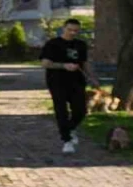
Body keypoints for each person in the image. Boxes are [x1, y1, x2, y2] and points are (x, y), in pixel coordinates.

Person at [39, 18, 98, 153]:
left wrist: (92, 77)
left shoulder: (81, 44)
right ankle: (67, 140)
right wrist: (63, 65)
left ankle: (70, 129)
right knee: (61, 111)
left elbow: (85, 62)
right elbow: (45, 63)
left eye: (75, 31)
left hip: (77, 81)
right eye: (69, 30)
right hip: (57, 82)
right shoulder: (53, 44)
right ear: (64, 28)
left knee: (81, 110)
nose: (72, 33)